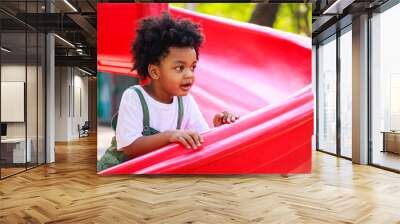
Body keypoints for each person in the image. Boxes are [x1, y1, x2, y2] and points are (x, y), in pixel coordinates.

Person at [98, 12, 238, 171]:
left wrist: (219, 128)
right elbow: (129, 147)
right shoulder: (134, 97)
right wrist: (169, 136)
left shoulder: (185, 102)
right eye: (180, 68)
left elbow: (201, 139)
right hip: (118, 172)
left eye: (192, 67)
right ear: (155, 72)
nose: (189, 74)